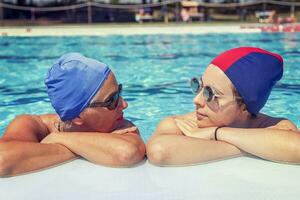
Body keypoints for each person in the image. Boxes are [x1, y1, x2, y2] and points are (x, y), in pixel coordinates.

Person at [147, 47, 299, 166]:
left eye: (210, 93)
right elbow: (159, 151)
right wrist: (250, 148)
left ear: (244, 106)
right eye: (199, 86)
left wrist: (216, 133)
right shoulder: (180, 125)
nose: (196, 100)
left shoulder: (273, 125)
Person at [0, 53, 145, 177]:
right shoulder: (33, 124)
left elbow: (129, 153)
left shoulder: (118, 122)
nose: (124, 104)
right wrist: (77, 148)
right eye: (112, 100)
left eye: (119, 92)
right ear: (78, 116)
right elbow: (2, 159)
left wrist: (57, 138)